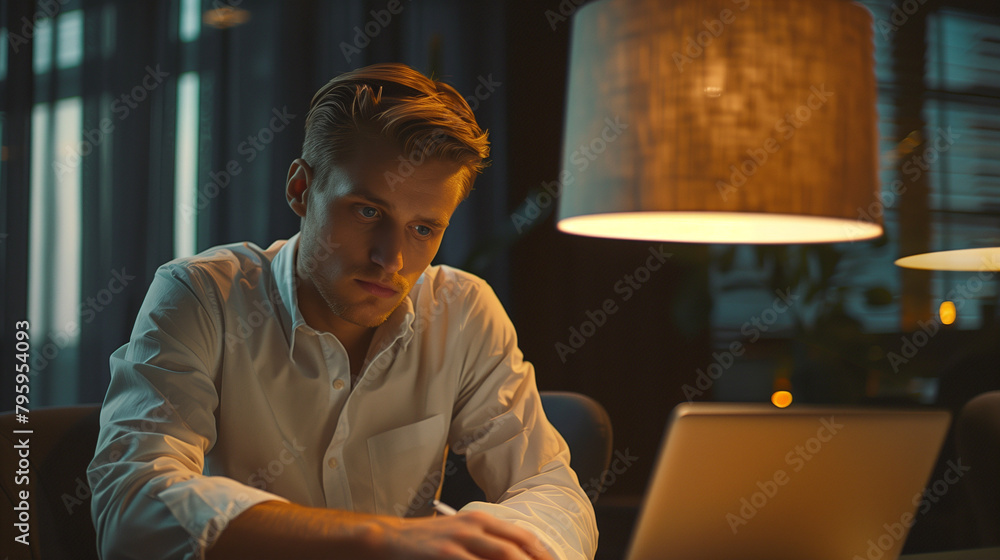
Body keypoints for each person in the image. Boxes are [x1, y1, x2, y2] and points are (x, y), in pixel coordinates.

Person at [87, 63, 597, 560]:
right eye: (368, 211)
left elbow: (545, 484)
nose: (390, 259)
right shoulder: (201, 296)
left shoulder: (463, 310)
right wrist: (379, 539)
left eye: (423, 229)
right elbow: (131, 504)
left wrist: (513, 547)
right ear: (301, 189)